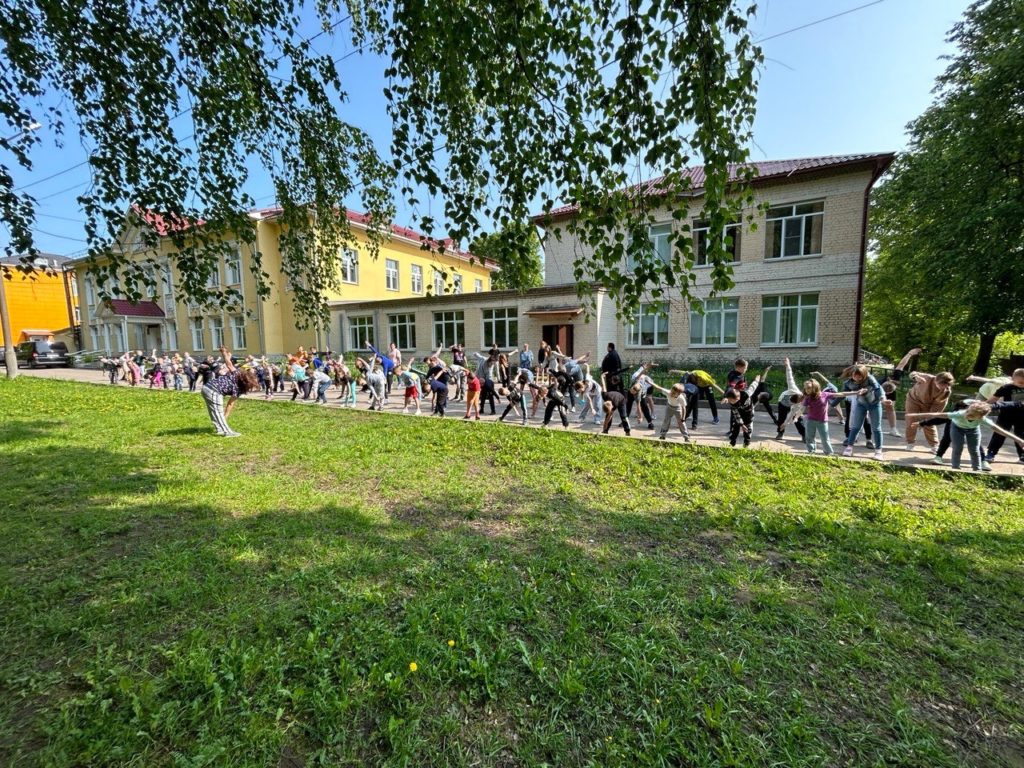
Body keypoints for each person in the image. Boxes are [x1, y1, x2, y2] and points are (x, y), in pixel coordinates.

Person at [907, 401, 1024, 471]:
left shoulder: (983, 420)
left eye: (971, 415)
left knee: (974, 449)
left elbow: (1001, 431)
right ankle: (955, 469)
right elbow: (937, 415)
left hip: (973, 430)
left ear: (980, 417)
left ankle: (977, 470)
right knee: (957, 447)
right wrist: (919, 418)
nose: (967, 415)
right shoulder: (960, 413)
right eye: (967, 412)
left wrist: (1019, 440)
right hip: (957, 428)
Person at [201, 346, 258, 437]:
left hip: (207, 387)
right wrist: (225, 416)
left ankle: (219, 429)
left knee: (214, 411)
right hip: (214, 390)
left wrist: (224, 352)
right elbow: (230, 404)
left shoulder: (237, 373)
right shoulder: (239, 388)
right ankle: (227, 432)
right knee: (217, 412)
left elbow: (228, 363)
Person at [979, 368, 1024, 465]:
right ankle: (991, 453)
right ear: (1013, 379)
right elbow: (993, 399)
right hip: (1006, 415)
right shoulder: (1006, 388)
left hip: (1022, 417)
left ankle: (1022, 455)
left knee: (1020, 435)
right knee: (1000, 434)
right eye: (1020, 383)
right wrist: (982, 406)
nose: (1022, 385)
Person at [841, 365, 885, 460]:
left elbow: (877, 388)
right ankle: (849, 447)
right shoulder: (848, 383)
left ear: (864, 374)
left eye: (860, 376)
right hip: (861, 404)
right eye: (855, 376)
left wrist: (882, 399)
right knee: (855, 426)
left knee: (876, 428)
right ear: (852, 374)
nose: (857, 378)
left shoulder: (870, 378)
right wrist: (832, 400)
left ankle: (878, 451)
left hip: (875, 404)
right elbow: (843, 393)